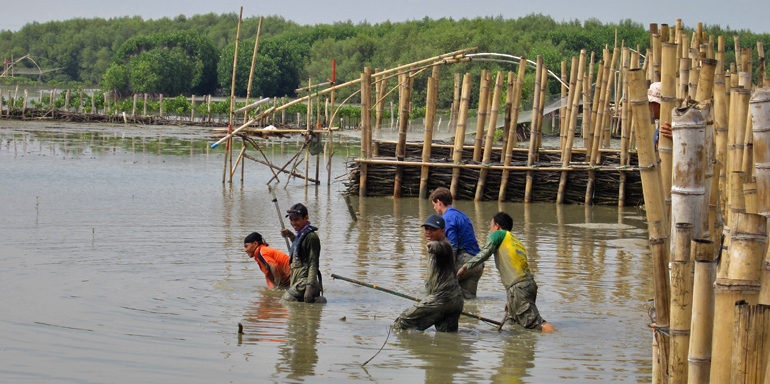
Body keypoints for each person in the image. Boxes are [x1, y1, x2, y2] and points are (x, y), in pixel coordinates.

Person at [457, 212, 554, 333]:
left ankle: (559, 338)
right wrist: (511, 299)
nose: (490, 230)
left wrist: (466, 267)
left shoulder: (498, 234)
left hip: (518, 288)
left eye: (491, 226)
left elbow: (484, 254)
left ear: (497, 226)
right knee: (512, 324)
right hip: (527, 286)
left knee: (536, 323)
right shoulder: (516, 240)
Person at [393, 214, 464, 332]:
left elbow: (437, 247)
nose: (428, 232)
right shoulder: (439, 243)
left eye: (433, 229)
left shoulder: (444, 245)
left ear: (443, 231)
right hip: (454, 301)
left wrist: (431, 245)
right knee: (446, 337)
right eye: (426, 229)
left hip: (441, 299)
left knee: (402, 323)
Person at [429, 187, 483, 299]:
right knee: (468, 300)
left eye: (434, 204)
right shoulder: (461, 215)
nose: (434, 207)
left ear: (439, 202)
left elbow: (451, 246)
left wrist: (446, 272)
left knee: (438, 291)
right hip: (477, 263)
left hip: (464, 261)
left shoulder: (447, 218)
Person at [279, 203, 325, 303]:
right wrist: (290, 235)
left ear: (306, 218)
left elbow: (313, 264)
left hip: (304, 281)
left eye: (296, 220)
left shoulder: (311, 237)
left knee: (285, 302)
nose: (293, 223)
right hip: (297, 280)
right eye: (291, 220)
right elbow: (299, 249)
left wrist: (309, 287)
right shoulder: (301, 235)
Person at [647, 81, 673, 149]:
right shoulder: (660, 127)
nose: (649, 107)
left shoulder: (671, 128)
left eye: (650, 103)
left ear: (657, 105)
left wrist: (678, 140)